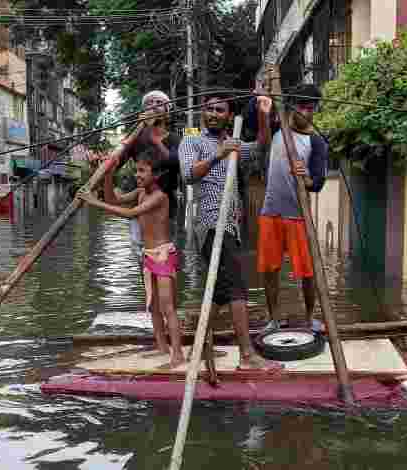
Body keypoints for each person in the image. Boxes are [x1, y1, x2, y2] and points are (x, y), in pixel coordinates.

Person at [178, 89, 283, 372]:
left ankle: (197, 348)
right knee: (237, 288)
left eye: (220, 110)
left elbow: (261, 147)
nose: (214, 114)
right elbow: (188, 175)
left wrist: (263, 113)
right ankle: (247, 356)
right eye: (210, 109)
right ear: (203, 111)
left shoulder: (234, 144)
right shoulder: (192, 141)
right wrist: (217, 156)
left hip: (231, 226)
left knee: (220, 293)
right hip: (211, 224)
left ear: (229, 117)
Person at [80, 149, 185, 368]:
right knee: (153, 307)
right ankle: (161, 347)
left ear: (155, 175)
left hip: (164, 255)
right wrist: (108, 174)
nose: (137, 175)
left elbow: (129, 214)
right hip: (148, 256)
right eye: (136, 170)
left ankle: (177, 356)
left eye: (141, 171)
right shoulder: (140, 193)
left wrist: (92, 201)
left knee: (168, 308)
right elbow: (113, 200)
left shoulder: (160, 196)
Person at [257, 83, 328, 332]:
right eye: (301, 107)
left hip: (298, 216)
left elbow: (316, 183)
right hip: (270, 212)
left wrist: (304, 175)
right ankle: (273, 318)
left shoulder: (316, 142)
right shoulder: (278, 127)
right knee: (269, 269)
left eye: (310, 109)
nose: (305, 113)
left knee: (307, 271)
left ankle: (310, 317)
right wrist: (263, 112)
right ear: (291, 106)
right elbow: (262, 142)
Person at [104, 90, 182, 313]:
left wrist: (158, 143)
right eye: (149, 103)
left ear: (168, 110)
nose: (154, 106)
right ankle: (152, 304)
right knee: (143, 258)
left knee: (168, 261)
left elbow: (177, 165)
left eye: (160, 103)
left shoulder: (175, 138)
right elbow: (116, 163)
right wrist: (106, 166)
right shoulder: (137, 138)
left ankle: (170, 309)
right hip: (141, 205)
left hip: (166, 208)